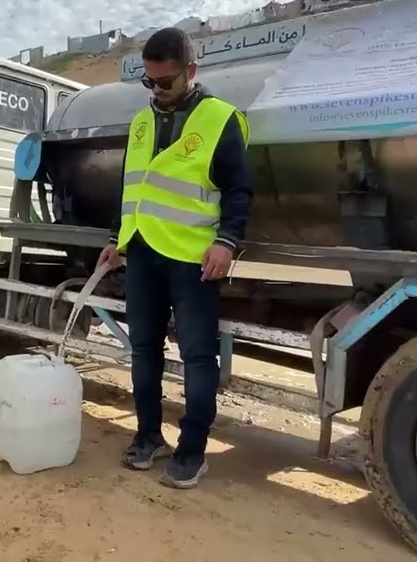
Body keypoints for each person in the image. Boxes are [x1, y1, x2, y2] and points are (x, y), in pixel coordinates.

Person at [95, 27, 252, 490]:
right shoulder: (141, 123)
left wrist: (226, 241)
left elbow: (239, 190)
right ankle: (148, 436)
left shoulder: (221, 119)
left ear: (191, 70)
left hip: (192, 257)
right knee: (143, 349)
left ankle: (192, 451)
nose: (156, 90)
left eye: (165, 81)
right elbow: (132, 186)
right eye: (149, 81)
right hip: (143, 250)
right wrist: (116, 238)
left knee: (198, 356)